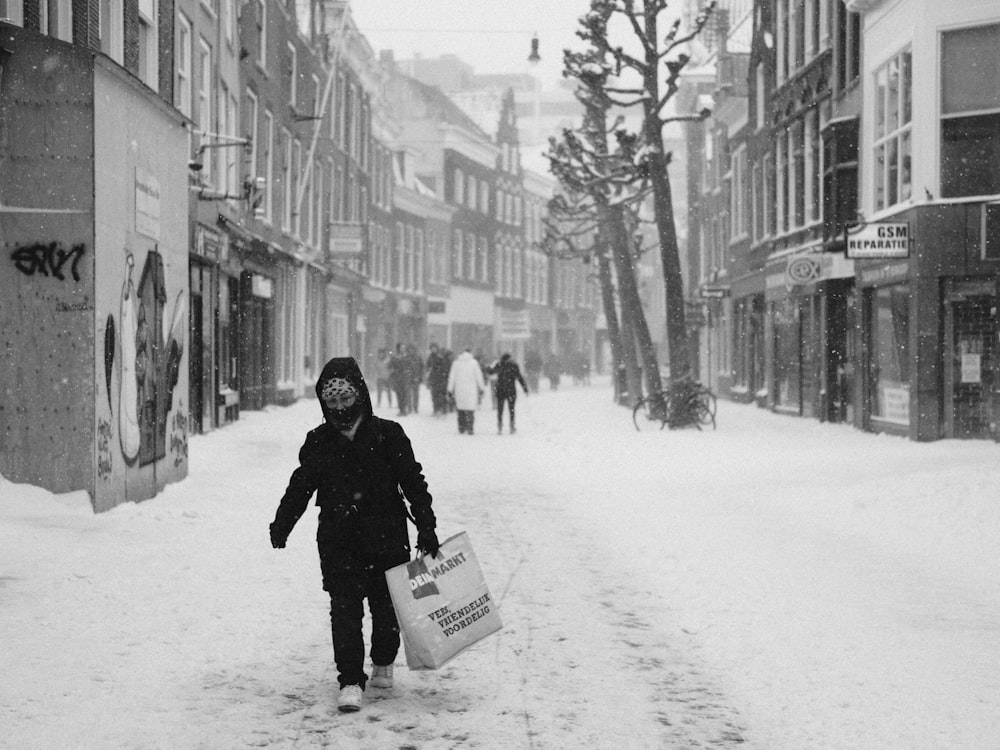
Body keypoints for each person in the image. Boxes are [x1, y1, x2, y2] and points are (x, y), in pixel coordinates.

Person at [269, 357, 440, 713]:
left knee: (385, 606)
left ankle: (382, 660)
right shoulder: (319, 441)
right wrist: (283, 522)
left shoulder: (388, 434)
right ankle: (349, 679)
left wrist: (426, 524)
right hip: (338, 537)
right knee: (344, 609)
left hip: (386, 535)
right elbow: (301, 484)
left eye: (346, 398)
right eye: (332, 401)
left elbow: (412, 482)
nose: (340, 407)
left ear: (359, 393)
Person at [446, 348, 485, 435]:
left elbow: (452, 378)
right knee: (470, 410)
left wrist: (450, 390)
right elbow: (479, 376)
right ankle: (470, 427)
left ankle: (461, 427)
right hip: (471, 390)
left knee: (461, 410)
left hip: (459, 390)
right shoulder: (474, 363)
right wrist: (481, 388)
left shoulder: (456, 363)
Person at [488, 353, 529, 434]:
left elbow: (491, 372)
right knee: (511, 409)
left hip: (500, 390)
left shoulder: (499, 365)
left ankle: (500, 427)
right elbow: (519, 378)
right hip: (511, 391)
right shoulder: (513, 366)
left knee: (500, 410)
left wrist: (487, 367)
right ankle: (512, 426)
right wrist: (525, 389)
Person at [425, 343, 450, 415]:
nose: (433, 349)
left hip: (441, 379)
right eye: (432, 348)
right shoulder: (430, 358)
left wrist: (443, 376)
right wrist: (428, 379)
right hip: (434, 380)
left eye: (434, 348)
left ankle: (443, 409)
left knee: (442, 395)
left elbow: (444, 367)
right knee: (434, 395)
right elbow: (427, 368)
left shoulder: (440, 357)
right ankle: (436, 409)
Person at [388, 343, 409, 416]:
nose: (402, 349)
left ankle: (404, 409)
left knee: (404, 394)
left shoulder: (405, 357)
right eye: (401, 348)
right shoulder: (394, 357)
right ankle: (401, 409)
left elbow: (408, 366)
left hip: (404, 379)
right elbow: (390, 366)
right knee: (399, 394)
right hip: (397, 379)